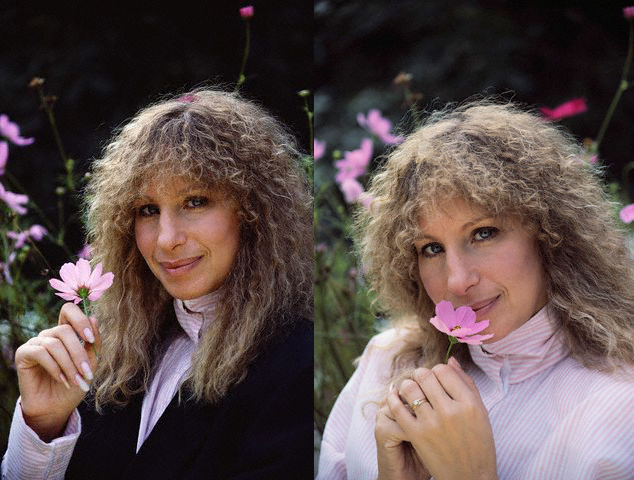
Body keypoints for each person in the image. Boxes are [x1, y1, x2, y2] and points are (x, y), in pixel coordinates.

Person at [2, 88, 314, 479]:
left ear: (254, 212)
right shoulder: (114, 353)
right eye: (148, 210)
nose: (166, 239)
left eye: (195, 201)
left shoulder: (296, 366)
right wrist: (43, 426)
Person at [317, 99, 634, 479]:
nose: (457, 280)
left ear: (551, 235)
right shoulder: (385, 361)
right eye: (431, 249)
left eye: (484, 233)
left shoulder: (620, 408)